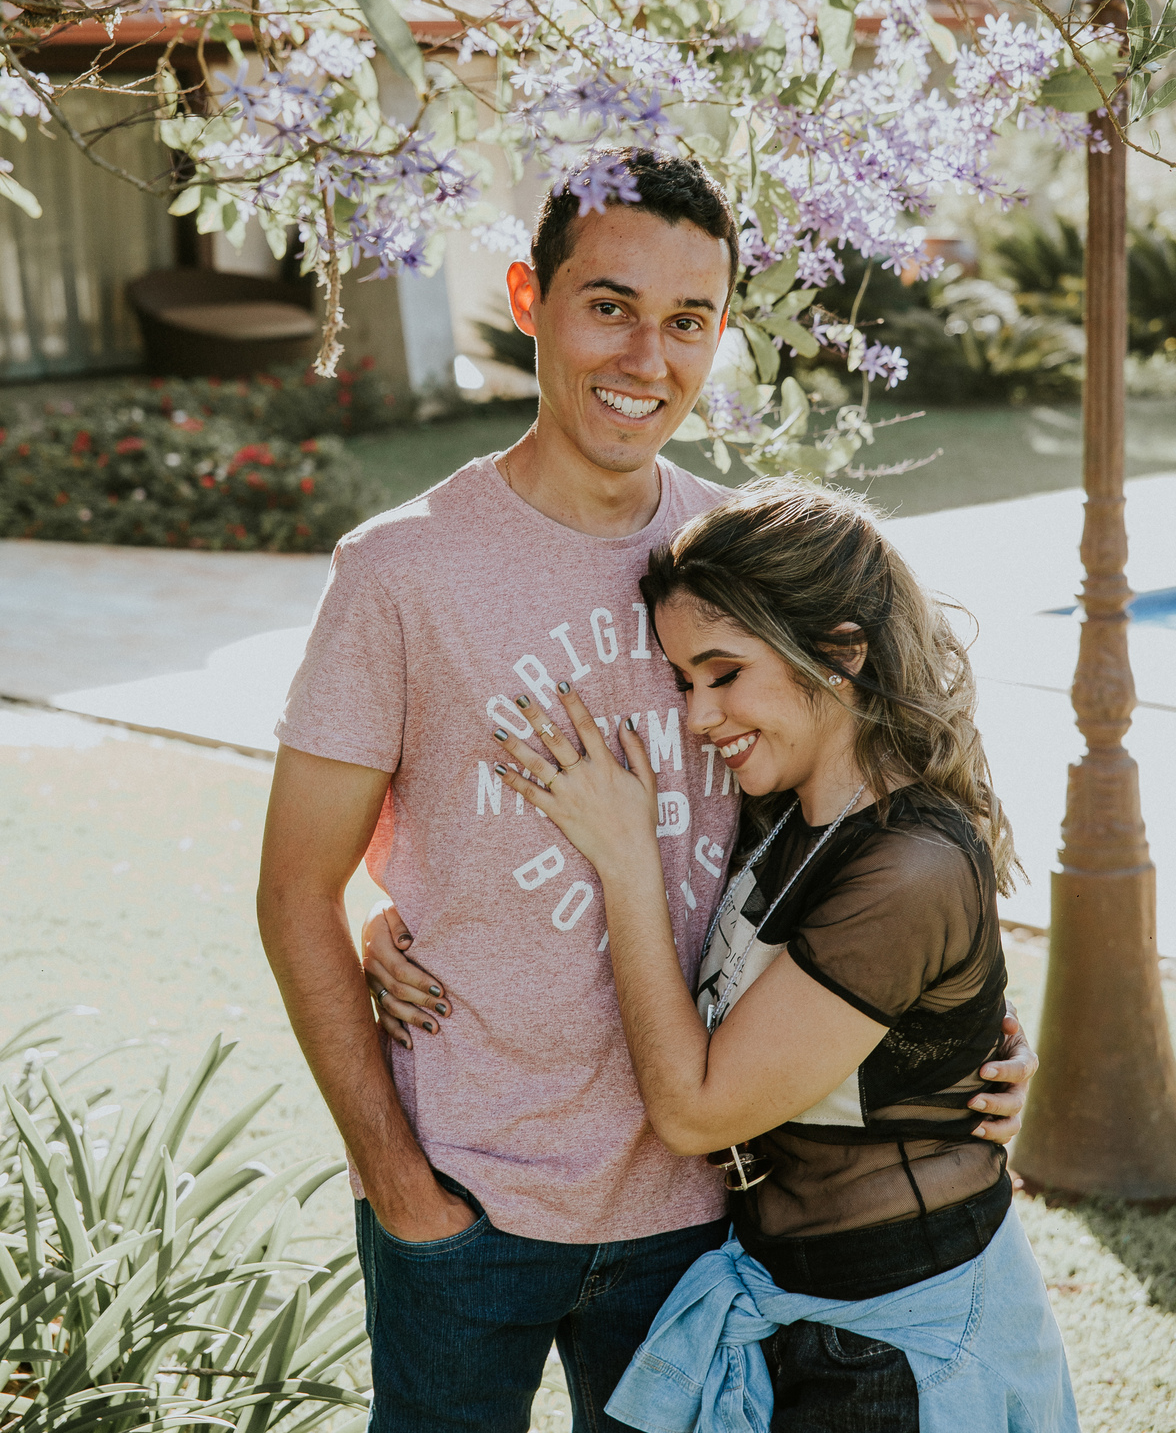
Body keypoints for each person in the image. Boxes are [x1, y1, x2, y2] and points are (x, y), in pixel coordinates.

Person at [258, 149, 1037, 1433]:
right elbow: (293, 888)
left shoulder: (732, 556)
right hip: (468, 1202)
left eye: (688, 322)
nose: (646, 357)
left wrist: (977, 1038)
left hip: (712, 1221)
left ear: (721, 334)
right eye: (609, 305)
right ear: (529, 298)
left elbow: (875, 828)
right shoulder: (398, 572)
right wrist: (397, 1181)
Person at [486, 479, 1074, 1431]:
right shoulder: (782, 815)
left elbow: (694, 1111)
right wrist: (392, 930)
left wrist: (627, 860)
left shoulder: (908, 864)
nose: (697, 716)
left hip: (900, 1332)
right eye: (683, 681)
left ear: (839, 654)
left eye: (724, 675)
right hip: (785, 1299)